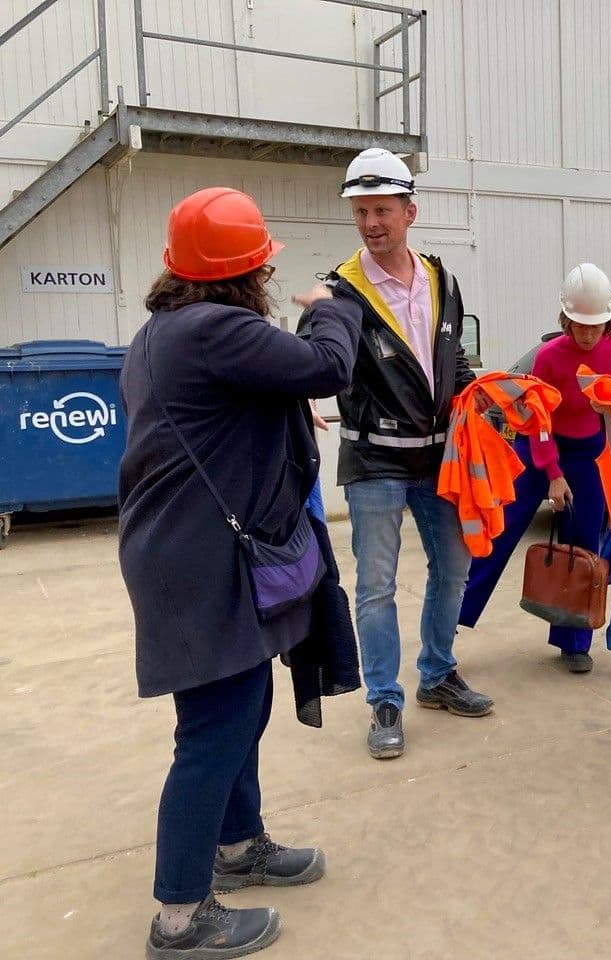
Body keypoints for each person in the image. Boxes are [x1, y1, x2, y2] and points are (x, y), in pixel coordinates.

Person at [117, 187, 362, 958]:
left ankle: (237, 845)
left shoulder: (164, 334)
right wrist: (330, 304)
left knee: (244, 703)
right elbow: (327, 364)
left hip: (183, 554)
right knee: (213, 732)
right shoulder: (219, 329)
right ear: (245, 272)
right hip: (200, 565)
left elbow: (222, 413)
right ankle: (181, 919)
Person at [326, 147, 494, 761]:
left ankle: (438, 673)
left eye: (383, 210)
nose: (371, 222)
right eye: (361, 211)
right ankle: (385, 700)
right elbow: (322, 360)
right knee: (375, 585)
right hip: (375, 459)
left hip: (440, 456)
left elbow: (449, 358)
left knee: (453, 570)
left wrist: (482, 394)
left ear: (409, 211)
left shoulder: (441, 279)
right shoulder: (339, 291)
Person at [459, 263, 611, 673]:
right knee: (498, 532)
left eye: (595, 326)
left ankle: (573, 641)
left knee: (583, 544)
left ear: (609, 320)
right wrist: (551, 473)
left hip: (588, 456)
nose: (587, 334)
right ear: (564, 318)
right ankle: (451, 619)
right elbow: (538, 421)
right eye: (579, 325)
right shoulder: (549, 357)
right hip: (540, 449)